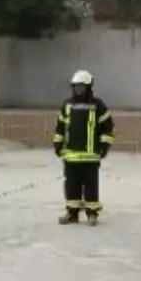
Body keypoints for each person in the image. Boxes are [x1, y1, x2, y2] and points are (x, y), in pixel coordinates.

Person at [54, 69, 115, 226]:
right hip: (71, 155)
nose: (78, 89)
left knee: (91, 186)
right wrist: (58, 144)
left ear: (88, 87)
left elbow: (108, 127)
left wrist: (104, 146)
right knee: (71, 185)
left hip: (90, 155)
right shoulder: (67, 105)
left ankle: (92, 213)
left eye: (81, 86)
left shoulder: (97, 105)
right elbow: (60, 127)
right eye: (76, 86)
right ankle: (72, 213)